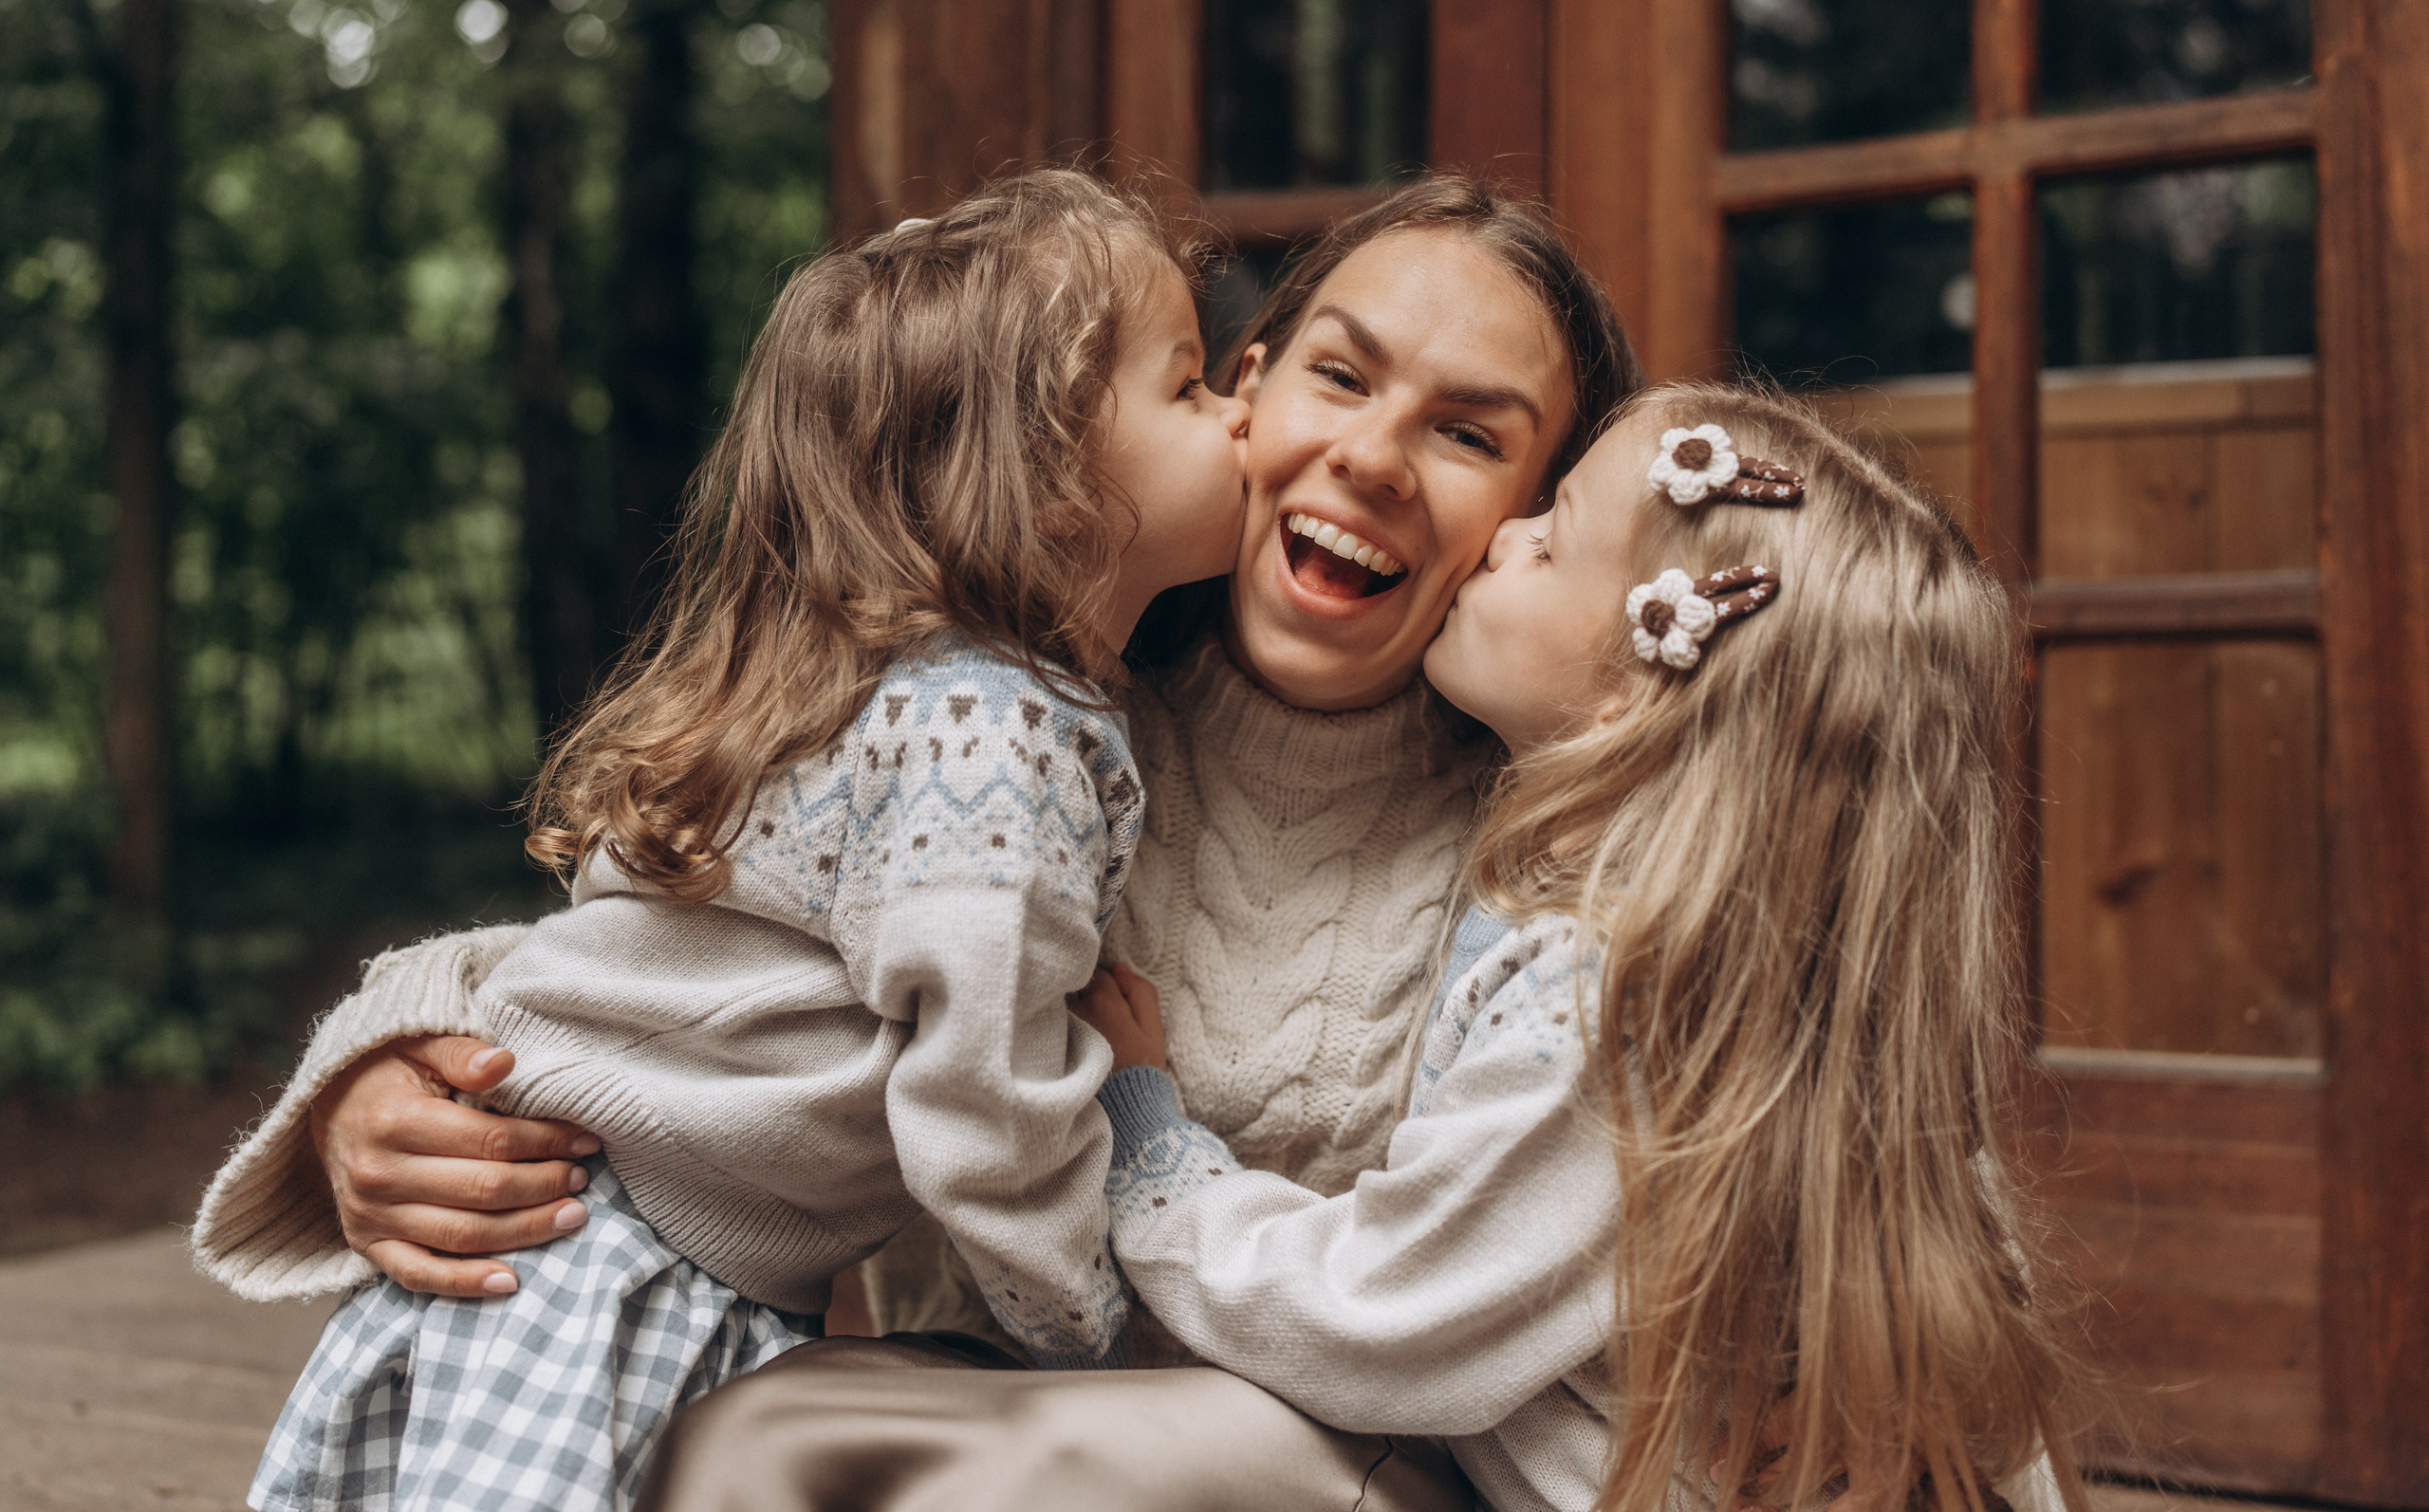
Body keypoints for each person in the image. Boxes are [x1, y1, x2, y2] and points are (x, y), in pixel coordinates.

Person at [192, 174, 1644, 1508]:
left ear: (1540, 521)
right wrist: (391, 1066)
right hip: (968, 1425)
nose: (1379, 456)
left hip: (1316, 1458)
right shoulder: (1033, 711)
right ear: (1249, 395)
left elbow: (1443, 1305)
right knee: (773, 1433)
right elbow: (694, 934)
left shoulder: (1542, 858)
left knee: (773, 1438)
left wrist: (1140, 1161)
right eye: (1341, 372)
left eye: (1470, 432)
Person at [232, 168, 1252, 1512]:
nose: (1243, 411)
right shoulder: (1000, 734)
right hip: (608, 1276)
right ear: (1054, 475)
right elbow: (982, 1097)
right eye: (1188, 386)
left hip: (580, 1260)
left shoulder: (882, 688)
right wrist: (1082, 1321)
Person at [1054, 382, 2094, 1512]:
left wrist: (1154, 1154)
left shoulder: (1611, 991)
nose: (1499, 537)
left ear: (1632, 697)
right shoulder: (1755, 966)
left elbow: (1390, 1316)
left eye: (1549, 543)